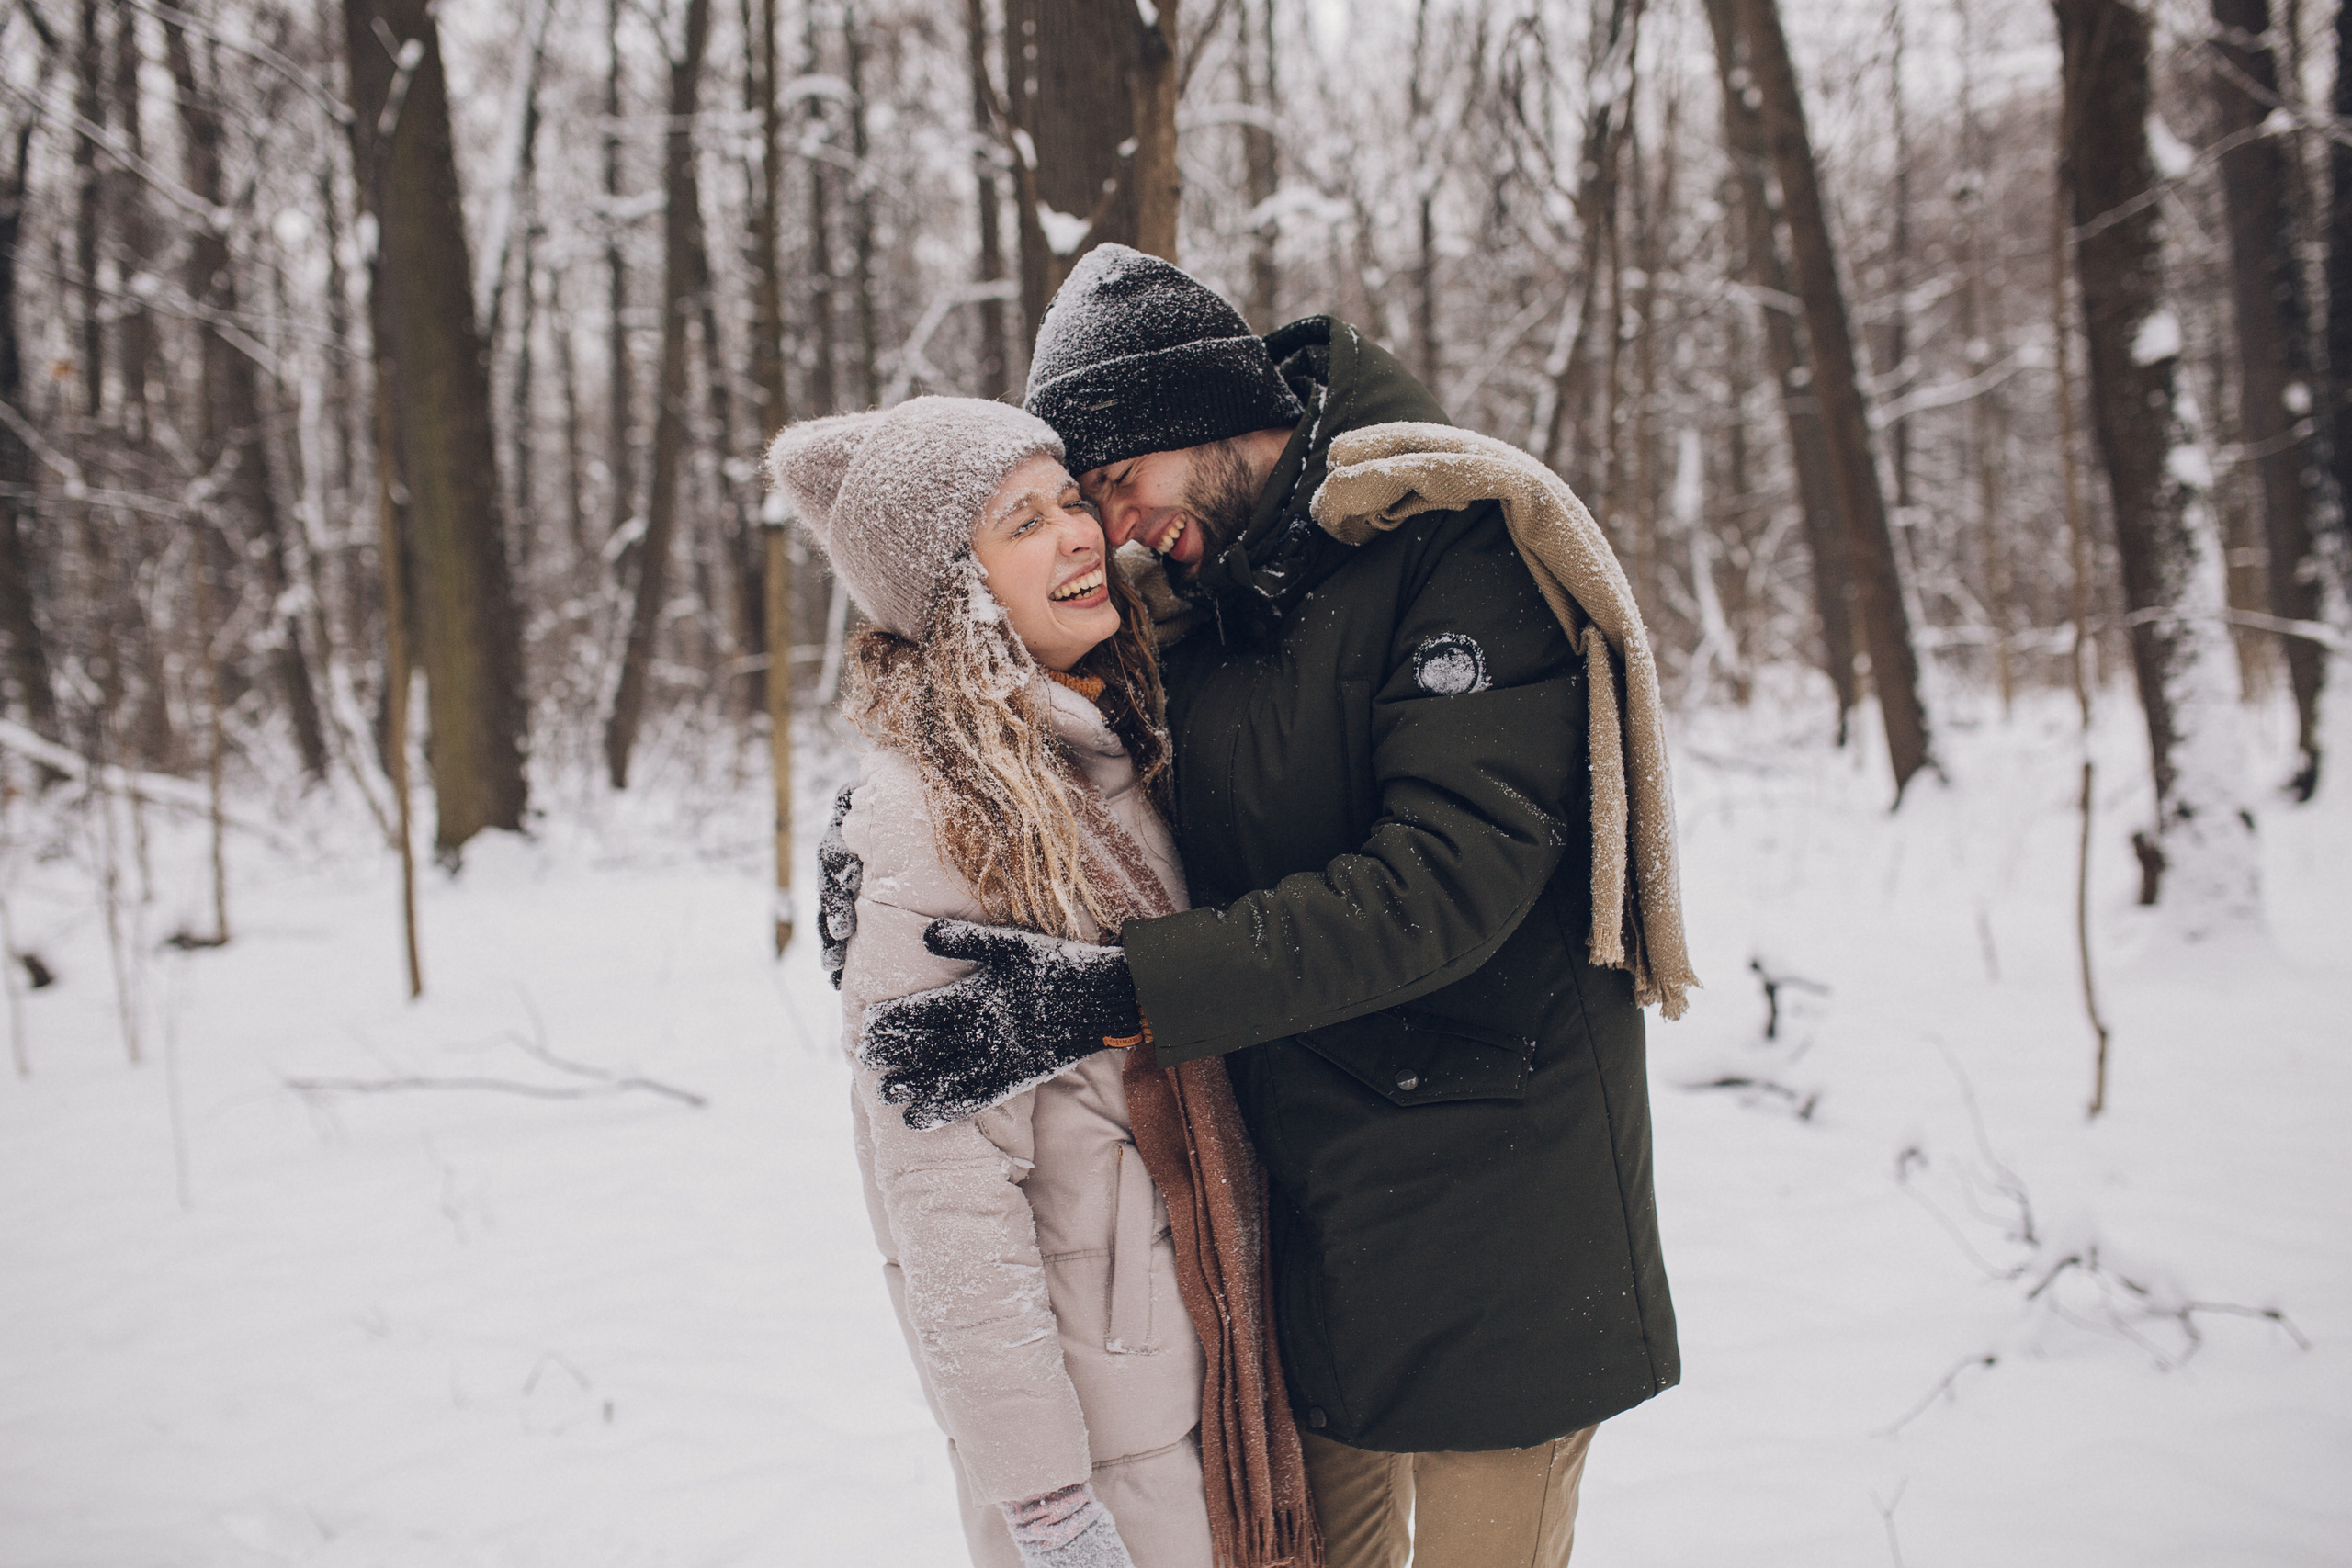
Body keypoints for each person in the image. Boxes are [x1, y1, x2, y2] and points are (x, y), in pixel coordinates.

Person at [854, 249, 1690, 1568]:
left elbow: (1446, 882)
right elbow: (1096, 775)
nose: (1116, 527)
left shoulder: (1450, 547)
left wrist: (1121, 991)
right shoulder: (1215, 595)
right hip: (1318, 1222)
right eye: (1088, 499)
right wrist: (893, 837)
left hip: (1493, 1209)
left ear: (1204, 417)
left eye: (1121, 483)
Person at [764, 396, 1319, 1568]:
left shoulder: (1102, 754)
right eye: (1022, 521)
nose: (1080, 534)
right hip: (1101, 1438)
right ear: (949, 589)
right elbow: (942, 1207)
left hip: (1200, 1371)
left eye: (1072, 500)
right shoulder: (933, 815)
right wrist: (1047, 1506)